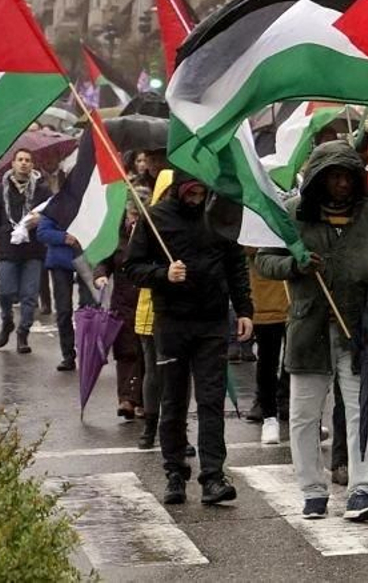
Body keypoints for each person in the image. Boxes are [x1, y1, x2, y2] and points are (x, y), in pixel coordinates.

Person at [256, 142, 368, 522]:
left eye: (348, 176)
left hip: (360, 326)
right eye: (333, 176)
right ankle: (312, 491)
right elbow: (265, 258)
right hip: (308, 326)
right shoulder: (293, 213)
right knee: (303, 415)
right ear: (318, 178)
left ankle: (362, 489)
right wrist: (294, 266)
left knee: (362, 410)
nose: (342, 183)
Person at [124, 173, 253, 507]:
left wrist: (244, 310)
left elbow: (235, 263)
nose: (197, 197)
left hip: (211, 321)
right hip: (172, 322)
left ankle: (212, 476)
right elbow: (132, 267)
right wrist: (162, 275)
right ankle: (175, 472)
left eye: (202, 191)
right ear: (179, 190)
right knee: (174, 400)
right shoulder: (155, 218)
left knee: (211, 400)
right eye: (191, 191)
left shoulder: (218, 214)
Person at [0, 149, 47, 355]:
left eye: (27, 160)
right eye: (19, 160)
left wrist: (42, 220)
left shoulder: (42, 190)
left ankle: (23, 333)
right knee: (5, 291)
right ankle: (7, 322)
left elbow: (56, 214)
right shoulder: (0, 190)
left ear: (32, 165)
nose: (23, 163)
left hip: (33, 250)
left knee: (29, 295)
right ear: (12, 164)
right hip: (8, 250)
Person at [98, 194, 146, 420]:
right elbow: (105, 261)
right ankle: (126, 399)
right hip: (122, 302)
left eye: (138, 215)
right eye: (131, 215)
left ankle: (143, 400)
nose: (133, 220)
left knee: (145, 352)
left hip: (146, 302)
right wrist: (101, 276)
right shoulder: (117, 237)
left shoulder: (151, 237)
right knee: (126, 350)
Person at [36, 208, 95, 371]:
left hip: (86, 258)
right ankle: (68, 355)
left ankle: (87, 352)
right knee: (63, 310)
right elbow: (42, 232)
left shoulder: (90, 201)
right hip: (60, 262)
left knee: (88, 308)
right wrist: (63, 237)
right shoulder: (57, 204)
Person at [244, 249, 289, 446]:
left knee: (301, 359)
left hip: (298, 296)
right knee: (268, 360)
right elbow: (246, 246)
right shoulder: (257, 221)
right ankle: (269, 415)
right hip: (266, 298)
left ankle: (293, 405)